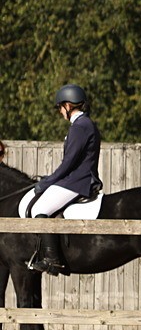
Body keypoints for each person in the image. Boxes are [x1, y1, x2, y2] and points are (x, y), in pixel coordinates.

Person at [25, 84, 103, 275]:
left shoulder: (80, 126)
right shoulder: (83, 125)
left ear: (68, 105)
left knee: (39, 209)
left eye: (60, 107)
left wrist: (47, 181)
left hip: (77, 181)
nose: (60, 111)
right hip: (75, 179)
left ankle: (52, 260)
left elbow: (68, 163)